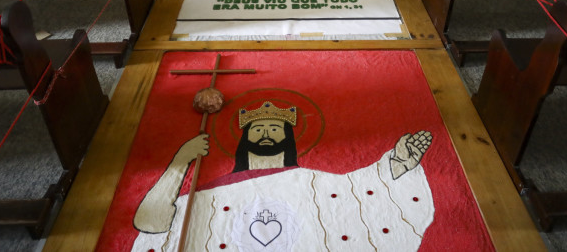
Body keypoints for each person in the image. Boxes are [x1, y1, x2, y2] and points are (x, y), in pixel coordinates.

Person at [131, 101, 434, 251]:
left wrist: (396, 165)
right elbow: (150, 223)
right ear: (243, 140)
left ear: (288, 138)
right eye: (258, 129)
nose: (265, 134)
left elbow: (358, 191)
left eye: (275, 129)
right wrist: (181, 159)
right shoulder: (210, 193)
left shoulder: (315, 182)